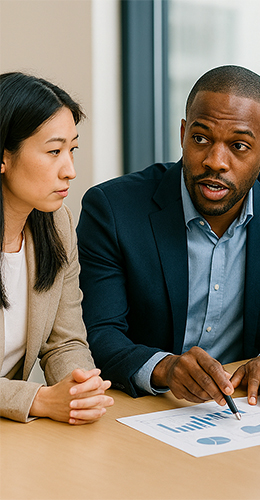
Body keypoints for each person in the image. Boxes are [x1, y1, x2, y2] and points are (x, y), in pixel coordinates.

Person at [77, 65, 260, 409]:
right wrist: (166, 368)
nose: (215, 161)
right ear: (183, 133)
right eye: (200, 139)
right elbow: (98, 333)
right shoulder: (113, 208)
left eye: (239, 146)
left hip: (243, 407)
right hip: (141, 406)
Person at [0, 72, 114, 424]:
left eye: (72, 149)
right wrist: (37, 400)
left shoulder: (57, 225)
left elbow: (65, 342)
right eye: (54, 151)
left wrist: (80, 388)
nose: (70, 171)